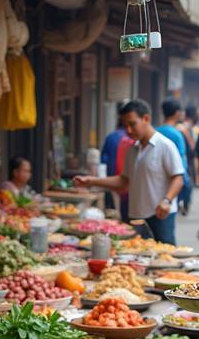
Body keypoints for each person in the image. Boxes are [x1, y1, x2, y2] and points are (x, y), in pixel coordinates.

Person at [72, 99, 183, 243]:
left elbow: (178, 178)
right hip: (136, 216)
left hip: (160, 215)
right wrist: (91, 181)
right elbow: (124, 181)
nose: (129, 130)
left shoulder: (165, 145)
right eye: (126, 126)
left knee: (166, 259)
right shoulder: (133, 150)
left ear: (146, 119)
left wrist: (167, 200)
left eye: (132, 124)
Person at [157, 99, 190, 218]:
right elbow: (182, 161)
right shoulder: (177, 134)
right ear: (177, 113)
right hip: (173, 180)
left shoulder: (157, 131)